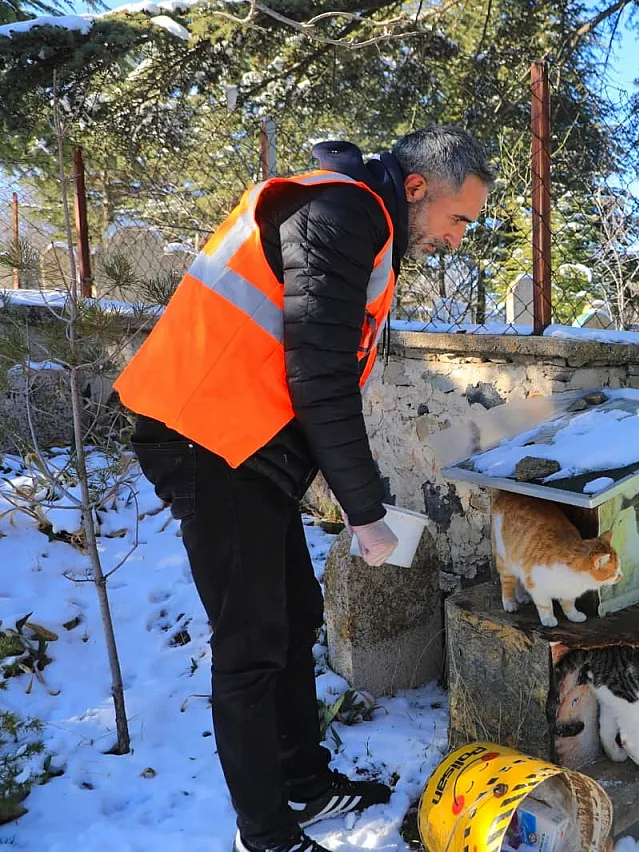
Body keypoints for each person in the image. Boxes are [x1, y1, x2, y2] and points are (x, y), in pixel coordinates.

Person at [115, 127, 494, 852]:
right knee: (252, 644)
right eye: (457, 220)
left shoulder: (364, 220)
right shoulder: (342, 215)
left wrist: (342, 490)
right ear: (416, 188)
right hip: (206, 437)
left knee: (292, 619)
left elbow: (311, 367)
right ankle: (265, 835)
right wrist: (365, 510)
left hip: (244, 441)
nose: (456, 240)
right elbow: (318, 380)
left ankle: (305, 787)